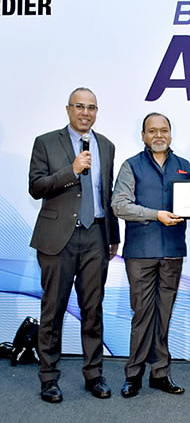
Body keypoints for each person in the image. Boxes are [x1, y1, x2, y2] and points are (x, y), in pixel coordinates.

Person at [29, 87, 120, 403]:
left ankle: (94, 375)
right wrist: (72, 170)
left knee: (93, 309)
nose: (85, 112)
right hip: (58, 239)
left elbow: (106, 193)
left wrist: (113, 235)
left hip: (96, 236)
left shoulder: (106, 145)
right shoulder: (45, 142)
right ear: (68, 109)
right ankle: (48, 378)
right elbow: (36, 187)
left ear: (97, 112)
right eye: (79, 106)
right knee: (53, 310)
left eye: (91, 107)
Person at [111, 112, 190, 398]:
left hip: (172, 252)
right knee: (142, 314)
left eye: (164, 130)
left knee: (164, 314)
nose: (159, 135)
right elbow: (119, 205)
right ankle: (133, 374)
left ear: (170, 133)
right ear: (143, 136)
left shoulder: (184, 167)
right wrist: (155, 214)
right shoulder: (131, 166)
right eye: (152, 131)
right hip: (141, 253)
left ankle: (160, 373)